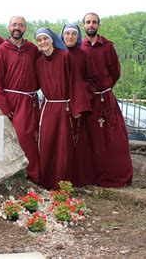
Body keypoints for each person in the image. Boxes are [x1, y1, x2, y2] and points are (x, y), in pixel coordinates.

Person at [81, 12, 133, 187]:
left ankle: (115, 175)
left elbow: (115, 71)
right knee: (91, 139)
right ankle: (92, 176)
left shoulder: (108, 46)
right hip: (88, 100)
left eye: (94, 22)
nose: (91, 25)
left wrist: (105, 87)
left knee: (113, 138)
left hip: (105, 97)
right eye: (88, 22)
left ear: (98, 25)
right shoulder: (80, 47)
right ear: (83, 25)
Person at [0, 16, 41, 183]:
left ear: (25, 29)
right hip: (11, 100)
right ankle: (11, 177)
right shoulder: (2, 50)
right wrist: (3, 107)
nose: (17, 28)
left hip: (28, 100)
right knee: (11, 139)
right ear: (9, 28)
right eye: (14, 25)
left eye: (20, 25)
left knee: (28, 139)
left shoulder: (32, 49)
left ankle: (31, 176)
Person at [59, 23, 95, 187]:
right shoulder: (58, 53)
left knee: (78, 142)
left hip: (79, 104)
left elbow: (92, 80)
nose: (70, 37)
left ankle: (79, 178)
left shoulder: (84, 55)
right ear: (62, 36)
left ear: (78, 37)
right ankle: (61, 176)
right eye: (67, 34)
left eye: (73, 34)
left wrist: (81, 97)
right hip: (60, 104)